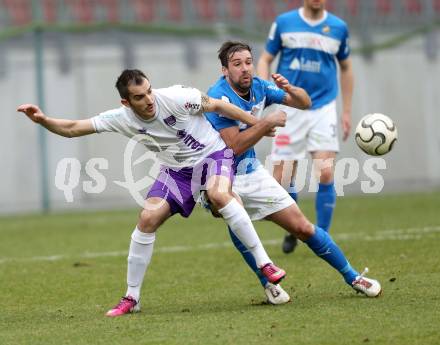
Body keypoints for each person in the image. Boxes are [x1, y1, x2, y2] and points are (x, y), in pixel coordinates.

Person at [17, 69, 288, 317]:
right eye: (139, 96)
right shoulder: (121, 118)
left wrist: (257, 124)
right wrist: (42, 120)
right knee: (147, 219)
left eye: (149, 90)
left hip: (213, 156)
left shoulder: (178, 97)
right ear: (126, 102)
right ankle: (131, 298)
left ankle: (265, 264)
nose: (148, 99)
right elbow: (74, 128)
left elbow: (218, 105)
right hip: (176, 172)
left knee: (219, 195)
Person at [204, 41, 380, 304]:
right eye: (237, 64)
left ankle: (353, 277)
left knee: (303, 227)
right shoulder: (219, 97)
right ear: (224, 70)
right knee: (234, 212)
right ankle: (268, 283)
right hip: (220, 175)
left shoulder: (261, 87)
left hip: (251, 172)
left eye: (249, 62)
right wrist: (266, 123)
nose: (245, 69)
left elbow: (305, 103)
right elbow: (234, 145)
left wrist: (290, 90)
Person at [257, 0, 354, 254]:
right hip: (290, 107)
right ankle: (294, 228)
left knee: (325, 173)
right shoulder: (284, 23)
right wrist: (264, 90)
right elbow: (266, 59)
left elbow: (346, 67)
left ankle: (321, 236)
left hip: (323, 107)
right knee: (281, 179)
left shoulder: (338, 28)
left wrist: (345, 111)